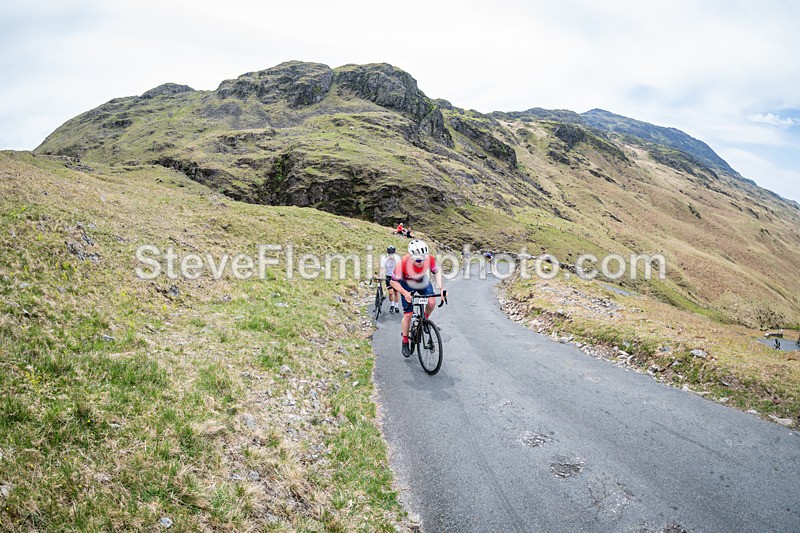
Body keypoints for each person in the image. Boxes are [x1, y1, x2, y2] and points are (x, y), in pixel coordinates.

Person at [390, 239, 447, 357]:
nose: (421, 262)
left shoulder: (429, 258)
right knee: (408, 315)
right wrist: (405, 293)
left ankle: (424, 321)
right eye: (418, 260)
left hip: (422, 281)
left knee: (431, 302)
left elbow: (437, 272)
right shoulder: (403, 263)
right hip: (406, 284)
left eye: (424, 259)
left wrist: (442, 289)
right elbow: (393, 282)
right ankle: (405, 341)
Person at [379, 246, 401, 313]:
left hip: (396, 276)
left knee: (396, 292)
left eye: (392, 253)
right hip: (388, 276)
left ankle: (396, 306)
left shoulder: (397, 257)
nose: (391, 255)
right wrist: (381, 275)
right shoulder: (384, 258)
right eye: (389, 253)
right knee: (391, 292)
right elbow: (382, 267)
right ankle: (392, 305)